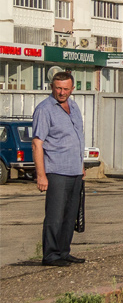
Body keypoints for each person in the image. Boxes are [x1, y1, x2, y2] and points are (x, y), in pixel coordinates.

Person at [32, 71, 86, 267]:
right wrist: (41, 175)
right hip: (56, 171)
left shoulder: (74, 106)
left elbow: (78, 137)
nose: (62, 92)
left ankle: (64, 252)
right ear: (52, 87)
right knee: (55, 215)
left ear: (72, 89)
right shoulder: (44, 109)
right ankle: (51, 255)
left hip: (75, 170)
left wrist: (81, 166)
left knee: (70, 214)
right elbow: (37, 143)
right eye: (58, 88)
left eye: (65, 88)